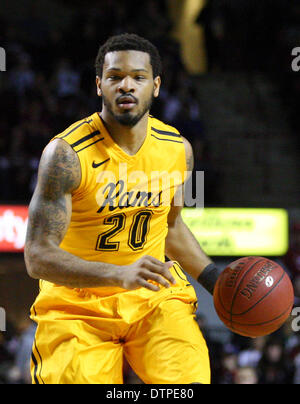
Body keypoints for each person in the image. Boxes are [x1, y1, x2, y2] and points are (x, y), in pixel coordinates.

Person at [25, 33, 222, 385]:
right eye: (115, 77)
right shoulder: (66, 155)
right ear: (100, 85)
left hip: (154, 299)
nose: (126, 86)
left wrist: (215, 280)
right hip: (76, 309)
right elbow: (37, 256)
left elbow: (171, 227)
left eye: (138, 77)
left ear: (156, 86)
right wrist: (119, 274)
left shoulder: (179, 150)